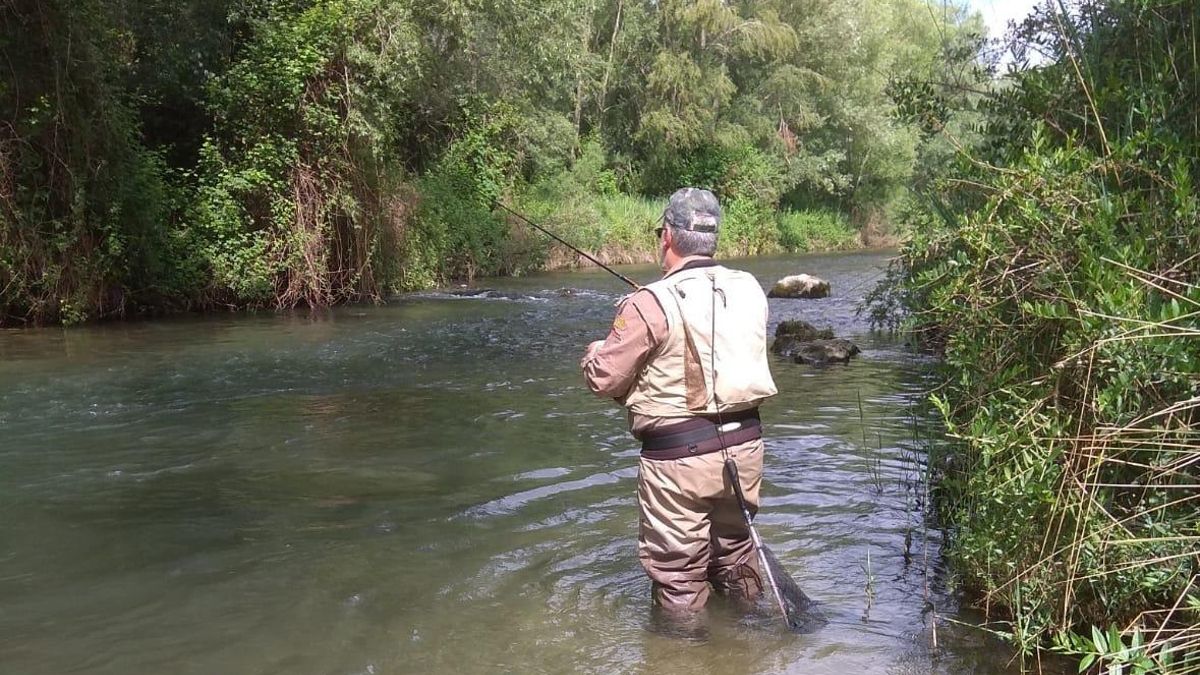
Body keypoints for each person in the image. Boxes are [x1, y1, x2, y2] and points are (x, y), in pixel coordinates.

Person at [580, 187, 778, 614]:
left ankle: (680, 654)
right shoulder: (750, 289)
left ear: (667, 236)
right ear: (713, 237)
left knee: (679, 579)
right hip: (745, 449)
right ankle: (748, 645)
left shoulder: (647, 303)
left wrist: (596, 349)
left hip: (678, 463)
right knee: (736, 558)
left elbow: (604, 379)